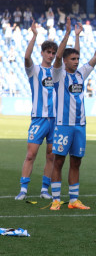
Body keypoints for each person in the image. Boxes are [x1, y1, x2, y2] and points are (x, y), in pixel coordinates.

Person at [48, 19, 96, 211]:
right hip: (63, 125)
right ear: (65, 61)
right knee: (58, 161)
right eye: (73, 59)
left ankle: (73, 200)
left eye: (78, 59)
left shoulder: (80, 74)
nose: (77, 62)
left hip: (80, 125)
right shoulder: (58, 75)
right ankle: (55, 199)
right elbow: (58, 56)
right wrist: (68, 34)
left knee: (76, 162)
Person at [14, 22, 72, 201]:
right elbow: (26, 56)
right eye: (48, 52)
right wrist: (34, 35)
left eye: (54, 53)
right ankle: (23, 189)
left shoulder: (58, 71)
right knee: (31, 154)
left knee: (51, 155)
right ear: (43, 52)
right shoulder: (34, 70)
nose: (51, 55)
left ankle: (44, 189)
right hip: (39, 118)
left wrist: (68, 35)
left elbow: (63, 56)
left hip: (55, 119)